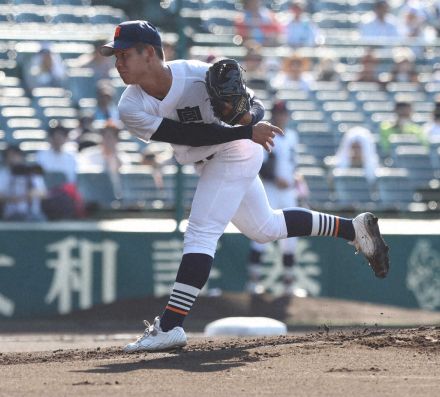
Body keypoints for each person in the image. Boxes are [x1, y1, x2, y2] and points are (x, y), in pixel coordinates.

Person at [100, 20, 389, 353]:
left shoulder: (196, 74)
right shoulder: (130, 106)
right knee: (266, 228)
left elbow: (256, 105)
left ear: (149, 53)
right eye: (115, 56)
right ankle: (353, 230)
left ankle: (170, 326)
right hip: (222, 151)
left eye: (123, 55)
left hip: (236, 153)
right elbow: (185, 135)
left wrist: (248, 118)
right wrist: (243, 130)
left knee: (201, 232)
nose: (117, 63)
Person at [246, 100, 302, 296]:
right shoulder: (267, 132)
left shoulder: (292, 136)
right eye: (278, 113)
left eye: (284, 113)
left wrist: (295, 179)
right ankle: (254, 282)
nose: (281, 116)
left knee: (291, 236)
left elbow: (293, 163)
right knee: (262, 233)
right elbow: (260, 163)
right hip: (269, 189)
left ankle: (288, 283)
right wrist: (275, 178)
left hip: (288, 191)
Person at [0, 145, 47, 221]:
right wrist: (11, 198)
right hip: (11, 214)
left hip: (33, 214)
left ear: (21, 157)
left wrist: (31, 194)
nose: (12, 159)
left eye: (15, 156)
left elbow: (43, 193)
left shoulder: (32, 172)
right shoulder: (3, 174)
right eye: (9, 156)